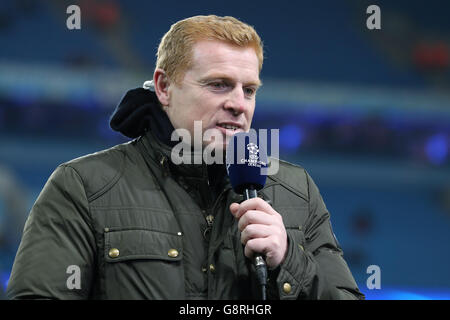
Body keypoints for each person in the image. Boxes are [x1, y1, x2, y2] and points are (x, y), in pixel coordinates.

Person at [7, 15, 364, 300]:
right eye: (218, 84)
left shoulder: (296, 190)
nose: (239, 104)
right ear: (164, 87)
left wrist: (290, 259)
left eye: (249, 89)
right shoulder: (84, 186)